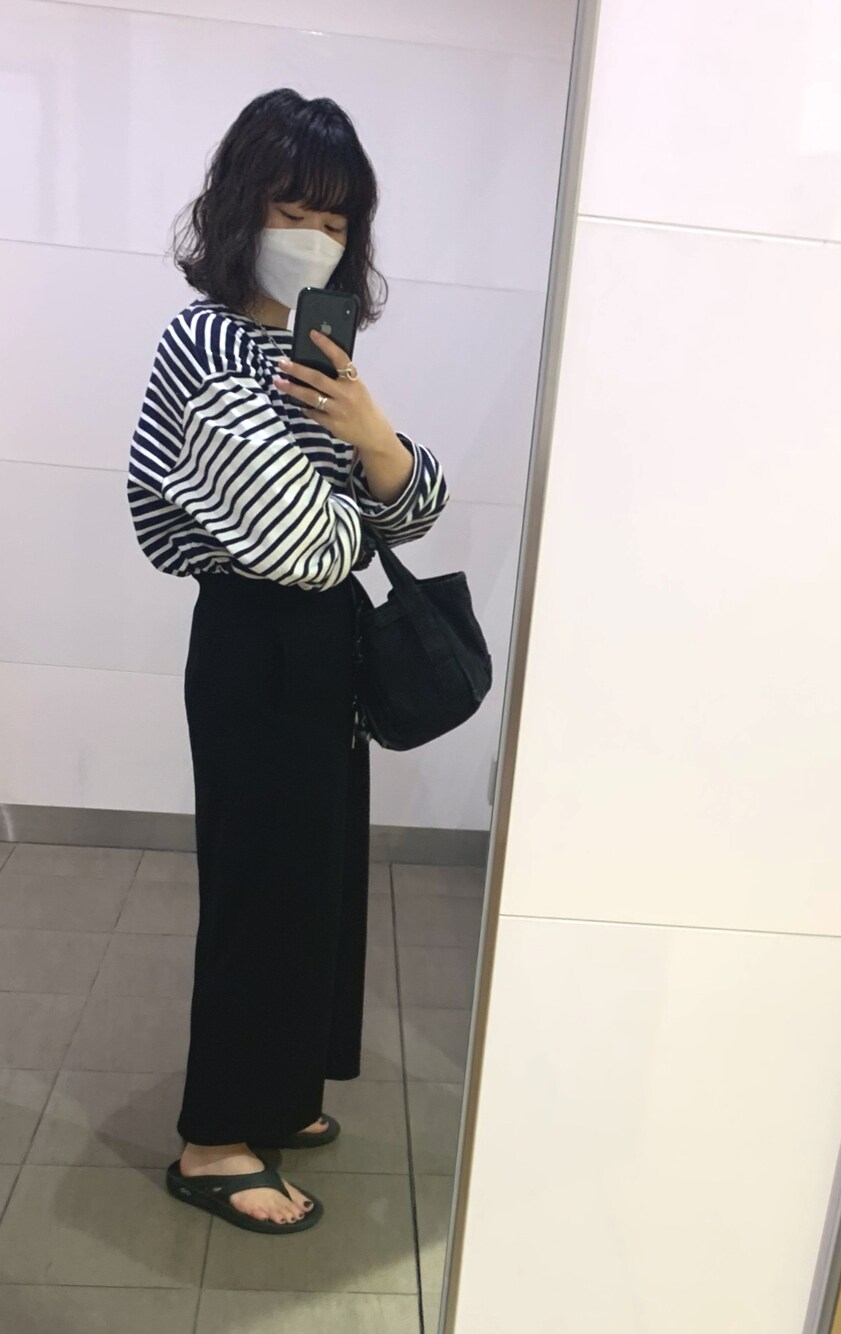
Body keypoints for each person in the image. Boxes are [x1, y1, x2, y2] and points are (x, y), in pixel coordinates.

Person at [126, 88, 449, 1234]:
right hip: (256, 641)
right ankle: (215, 1138)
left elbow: (419, 504)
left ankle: (279, 1089)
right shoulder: (209, 344)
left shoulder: (311, 351)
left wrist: (370, 436)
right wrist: (372, 470)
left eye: (335, 219)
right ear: (240, 209)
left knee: (315, 880)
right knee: (260, 887)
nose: (313, 235)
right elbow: (307, 545)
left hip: (315, 649)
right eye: (290, 209)